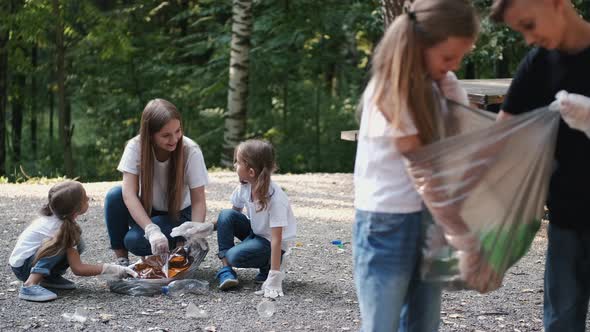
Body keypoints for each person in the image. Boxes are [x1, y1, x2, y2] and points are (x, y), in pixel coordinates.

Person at [352, 0, 479, 330]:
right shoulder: (391, 91)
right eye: (449, 57)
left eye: (460, 58)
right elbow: (423, 167)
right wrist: (458, 226)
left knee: (424, 321)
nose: (454, 66)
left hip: (427, 218)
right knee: (383, 323)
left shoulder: (437, 86)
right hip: (387, 224)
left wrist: (450, 90)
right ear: (421, 44)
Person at [490, 1, 590, 330]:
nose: (529, 38)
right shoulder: (539, 63)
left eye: (530, 24)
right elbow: (502, 135)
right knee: (560, 321)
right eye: (521, 31)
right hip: (566, 219)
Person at [104, 98, 210, 266]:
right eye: (166, 135)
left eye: (178, 131)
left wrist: (194, 234)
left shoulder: (191, 150)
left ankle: (180, 245)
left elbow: (198, 200)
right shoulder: (135, 147)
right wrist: (151, 230)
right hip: (150, 210)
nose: (174, 139)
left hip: (179, 215)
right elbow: (129, 195)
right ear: (150, 135)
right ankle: (121, 261)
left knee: (134, 240)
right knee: (114, 196)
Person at [9, 181, 137, 302]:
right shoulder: (60, 229)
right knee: (60, 244)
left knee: (78, 243)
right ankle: (30, 285)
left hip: (24, 262)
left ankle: (49, 278)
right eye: (85, 198)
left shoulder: (59, 216)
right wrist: (114, 269)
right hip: (23, 268)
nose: (88, 199)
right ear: (75, 210)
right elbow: (78, 268)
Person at [213, 139, 296, 298]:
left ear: (251, 172)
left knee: (233, 256)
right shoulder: (244, 187)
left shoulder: (276, 198)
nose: (234, 166)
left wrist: (274, 275)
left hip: (270, 242)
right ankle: (226, 271)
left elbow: (276, 239)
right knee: (225, 214)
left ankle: (268, 264)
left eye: (237, 162)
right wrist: (206, 227)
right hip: (256, 233)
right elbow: (231, 218)